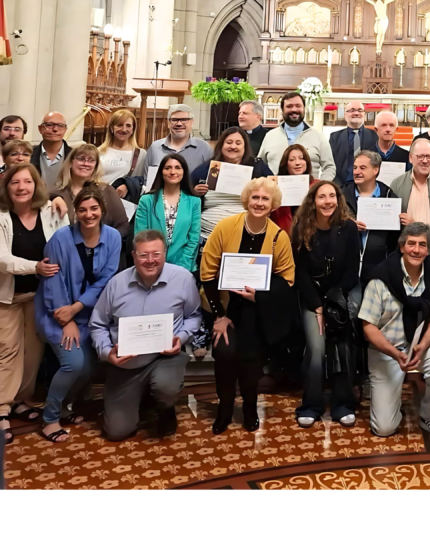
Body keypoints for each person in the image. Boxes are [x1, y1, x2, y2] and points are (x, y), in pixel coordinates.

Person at [200, 178, 295, 434]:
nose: (259, 203)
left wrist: (260, 297)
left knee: (252, 363)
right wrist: (219, 316)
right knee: (224, 355)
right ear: (247, 200)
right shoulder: (225, 227)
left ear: (273, 204)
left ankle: (251, 408)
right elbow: (207, 273)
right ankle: (225, 409)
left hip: (257, 310)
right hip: (226, 309)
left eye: (265, 199)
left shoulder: (278, 236)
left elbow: (287, 279)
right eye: (255, 198)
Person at [89, 230, 201, 440]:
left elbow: (194, 316)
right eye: (143, 255)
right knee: (117, 431)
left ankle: (164, 406)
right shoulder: (116, 284)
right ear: (133, 255)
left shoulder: (183, 279)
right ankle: (143, 399)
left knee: (165, 387)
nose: (150, 260)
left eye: (156, 254)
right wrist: (107, 353)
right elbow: (97, 325)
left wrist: (182, 337)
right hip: (126, 364)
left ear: (165, 254)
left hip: (165, 357)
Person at [35, 189, 121, 442]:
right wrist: (68, 318)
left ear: (102, 210)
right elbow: (53, 282)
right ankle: (50, 418)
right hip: (55, 312)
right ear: (75, 212)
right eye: (82, 209)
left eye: (94, 209)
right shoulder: (60, 239)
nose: (88, 214)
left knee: (89, 365)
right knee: (73, 363)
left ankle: (64, 406)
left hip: (88, 313)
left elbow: (106, 279)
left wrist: (78, 308)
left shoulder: (114, 237)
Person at [358, 223, 430, 441]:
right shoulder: (380, 277)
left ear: (428, 250)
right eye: (411, 243)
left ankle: (429, 416)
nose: (416, 249)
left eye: (422, 245)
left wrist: (424, 345)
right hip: (386, 349)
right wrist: (394, 353)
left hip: (420, 342)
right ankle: (388, 401)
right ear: (401, 246)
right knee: (384, 428)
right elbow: (368, 327)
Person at [0, 164, 66, 445]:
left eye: (27, 181)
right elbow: (2, 260)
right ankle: (2, 409)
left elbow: (64, 244)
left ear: (36, 185)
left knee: (32, 354)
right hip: (8, 297)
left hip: (41, 296)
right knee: (7, 351)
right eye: (15, 182)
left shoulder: (51, 211)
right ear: (6, 187)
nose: (21, 187)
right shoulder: (2, 217)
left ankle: (20, 401)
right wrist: (35, 268)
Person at [291, 180, 362, 427]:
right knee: (317, 346)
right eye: (322, 197)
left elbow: (353, 270)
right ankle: (311, 404)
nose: (328, 201)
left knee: (342, 342)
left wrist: (333, 302)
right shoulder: (301, 228)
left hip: (340, 294)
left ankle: (343, 404)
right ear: (313, 200)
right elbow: (298, 272)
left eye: (332, 196)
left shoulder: (349, 228)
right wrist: (317, 306)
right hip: (312, 296)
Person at [192, 127, 274, 239]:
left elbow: (274, 190)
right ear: (221, 145)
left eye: (238, 143)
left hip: (248, 236)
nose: (233, 146)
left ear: (245, 147)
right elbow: (185, 194)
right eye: (229, 142)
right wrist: (194, 192)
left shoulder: (258, 167)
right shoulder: (207, 169)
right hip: (208, 236)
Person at [51, 144, 131, 244]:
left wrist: (103, 241)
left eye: (91, 160)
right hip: (66, 251)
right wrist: (54, 197)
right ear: (71, 162)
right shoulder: (58, 193)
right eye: (81, 159)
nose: (86, 163)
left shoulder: (107, 191)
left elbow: (123, 226)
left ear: (96, 166)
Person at [134, 154, 201, 272]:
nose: (172, 172)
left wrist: (183, 266)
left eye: (177, 167)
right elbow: (140, 236)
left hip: (184, 265)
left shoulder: (194, 202)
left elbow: (193, 239)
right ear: (161, 172)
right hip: (151, 264)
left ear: (184, 172)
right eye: (167, 168)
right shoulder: (146, 201)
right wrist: (153, 262)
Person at [343, 150, 399, 284]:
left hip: (378, 267)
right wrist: (348, 225)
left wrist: (404, 222)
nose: (356, 172)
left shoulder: (389, 196)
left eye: (362, 168)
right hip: (346, 267)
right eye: (355, 168)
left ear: (375, 170)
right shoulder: (342, 195)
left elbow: (394, 239)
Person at [258, 91, 336, 181]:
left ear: (304, 109)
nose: (294, 109)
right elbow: (260, 165)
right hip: (276, 192)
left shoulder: (318, 136)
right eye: (289, 106)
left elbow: (329, 167)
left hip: (309, 192)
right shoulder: (270, 136)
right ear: (282, 110)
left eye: (298, 106)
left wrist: (319, 187)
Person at [143, 104, 214, 180]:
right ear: (168, 123)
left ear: (191, 122)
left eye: (184, 119)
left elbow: (211, 180)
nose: (179, 124)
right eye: (174, 120)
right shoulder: (155, 148)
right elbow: (146, 180)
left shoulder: (204, 148)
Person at [328, 99, 379, 185]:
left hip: (368, 184)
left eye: (360, 110)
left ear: (364, 114)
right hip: (341, 185)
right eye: (352, 110)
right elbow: (330, 164)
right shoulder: (335, 137)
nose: (356, 113)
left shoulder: (374, 136)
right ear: (345, 115)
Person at [269, 144, 317, 233]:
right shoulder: (275, 186)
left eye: (301, 158)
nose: (297, 162)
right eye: (292, 159)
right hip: (282, 234)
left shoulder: (317, 185)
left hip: (311, 234)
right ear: (285, 164)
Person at [97, 109, 147, 186]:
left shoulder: (141, 154)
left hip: (124, 197)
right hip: (100, 195)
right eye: (119, 125)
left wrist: (128, 186)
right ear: (111, 128)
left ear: (133, 129)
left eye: (128, 126)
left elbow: (142, 181)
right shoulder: (98, 152)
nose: (124, 129)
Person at [30, 111, 73, 192]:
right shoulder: (29, 154)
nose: (55, 129)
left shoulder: (74, 155)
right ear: (40, 128)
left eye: (60, 126)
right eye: (49, 125)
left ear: (65, 130)